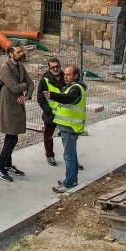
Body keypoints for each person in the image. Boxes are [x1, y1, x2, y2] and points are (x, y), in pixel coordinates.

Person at [45, 64, 86, 193]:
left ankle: (69, 183)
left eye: (69, 74)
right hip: (67, 127)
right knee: (71, 155)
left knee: (69, 156)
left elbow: (68, 99)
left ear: (76, 76)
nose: (66, 77)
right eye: (65, 74)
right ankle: (72, 179)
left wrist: (52, 95)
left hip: (70, 128)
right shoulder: (70, 87)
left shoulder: (76, 89)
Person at [0, 44, 32, 181]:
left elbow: (31, 83)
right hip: (9, 104)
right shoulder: (5, 67)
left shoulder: (21, 66)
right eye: (18, 51)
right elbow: (15, 87)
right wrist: (24, 86)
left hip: (18, 104)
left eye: (21, 51)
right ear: (11, 54)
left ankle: (8, 164)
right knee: (11, 137)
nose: (21, 53)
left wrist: (27, 95)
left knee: (11, 135)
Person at [36, 57, 65, 166]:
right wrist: (49, 111)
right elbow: (40, 98)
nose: (55, 69)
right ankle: (50, 155)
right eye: (52, 67)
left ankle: (69, 157)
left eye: (57, 66)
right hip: (51, 114)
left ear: (60, 66)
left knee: (67, 136)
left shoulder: (66, 78)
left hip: (65, 113)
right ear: (49, 69)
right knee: (48, 136)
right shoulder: (45, 80)